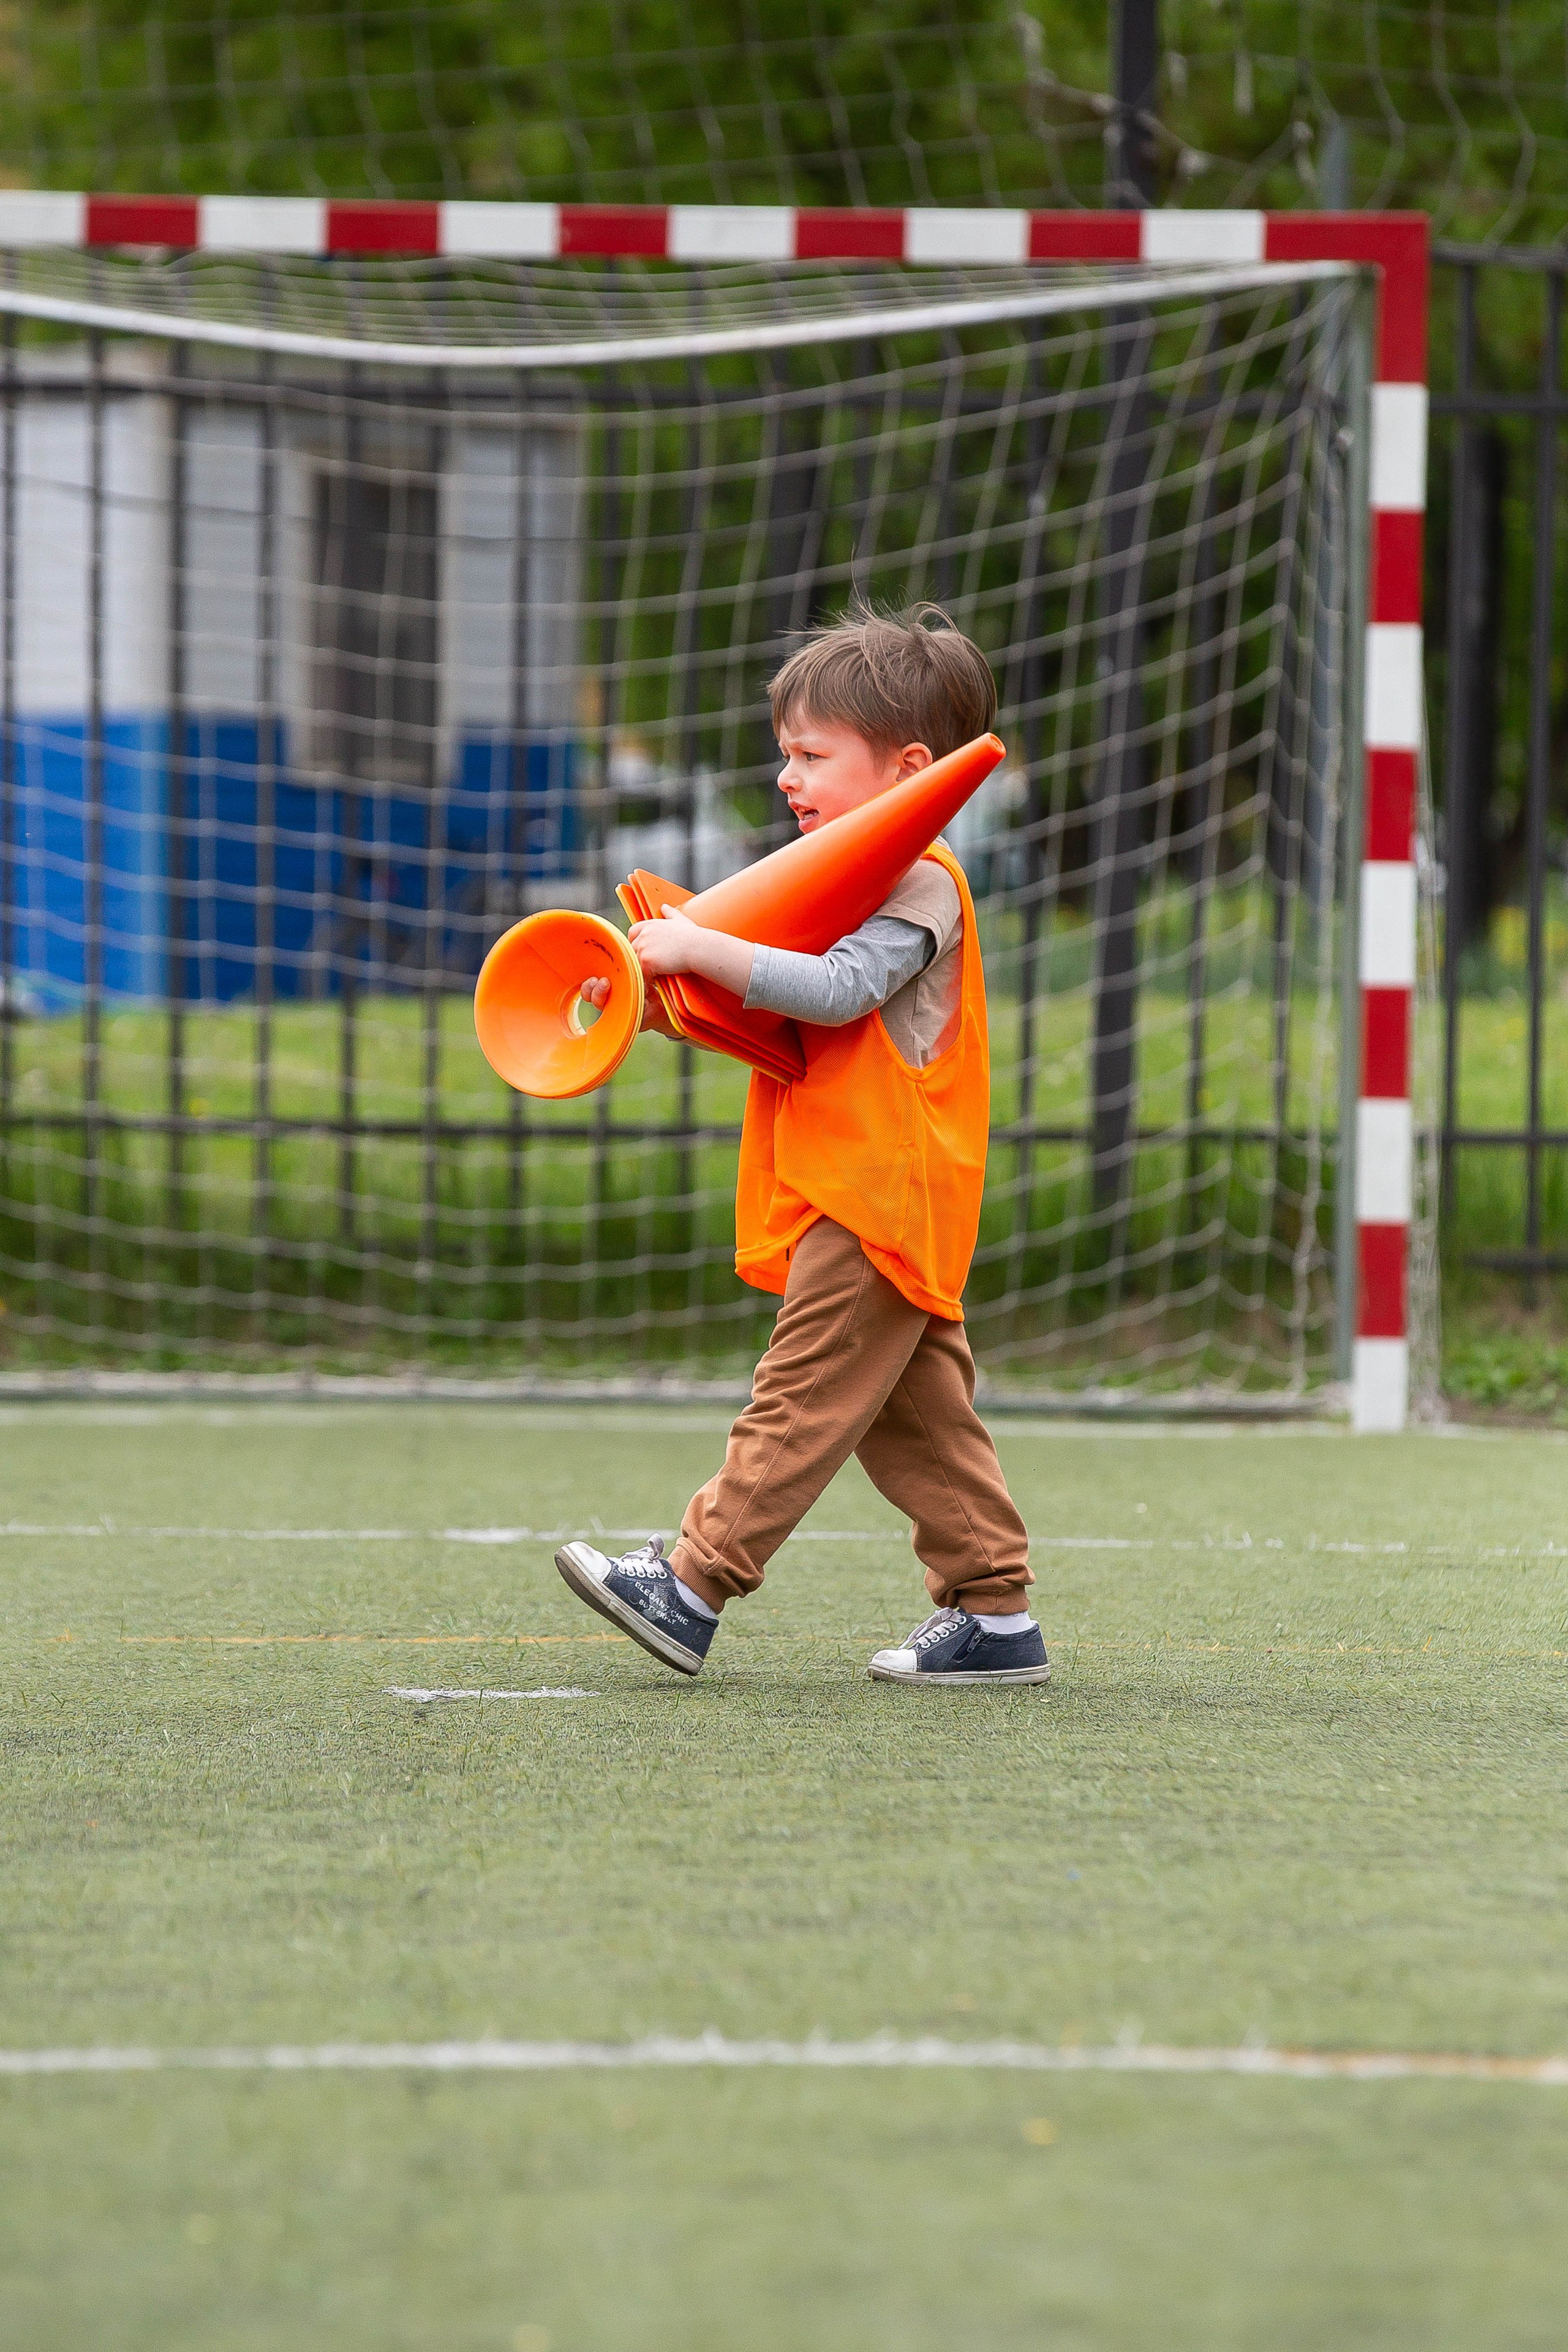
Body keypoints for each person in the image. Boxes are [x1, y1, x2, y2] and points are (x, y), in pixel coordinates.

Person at [555, 604, 1046, 1688]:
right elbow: (761, 1014)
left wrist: (702, 947)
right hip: (860, 1190)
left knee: (802, 1391)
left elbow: (831, 994)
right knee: (915, 1418)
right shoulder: (836, 881)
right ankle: (994, 1611)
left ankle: (690, 1584)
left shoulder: (921, 882)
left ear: (911, 770)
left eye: (814, 756)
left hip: (878, 1192)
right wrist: (647, 986)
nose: (789, 778)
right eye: (788, 755)